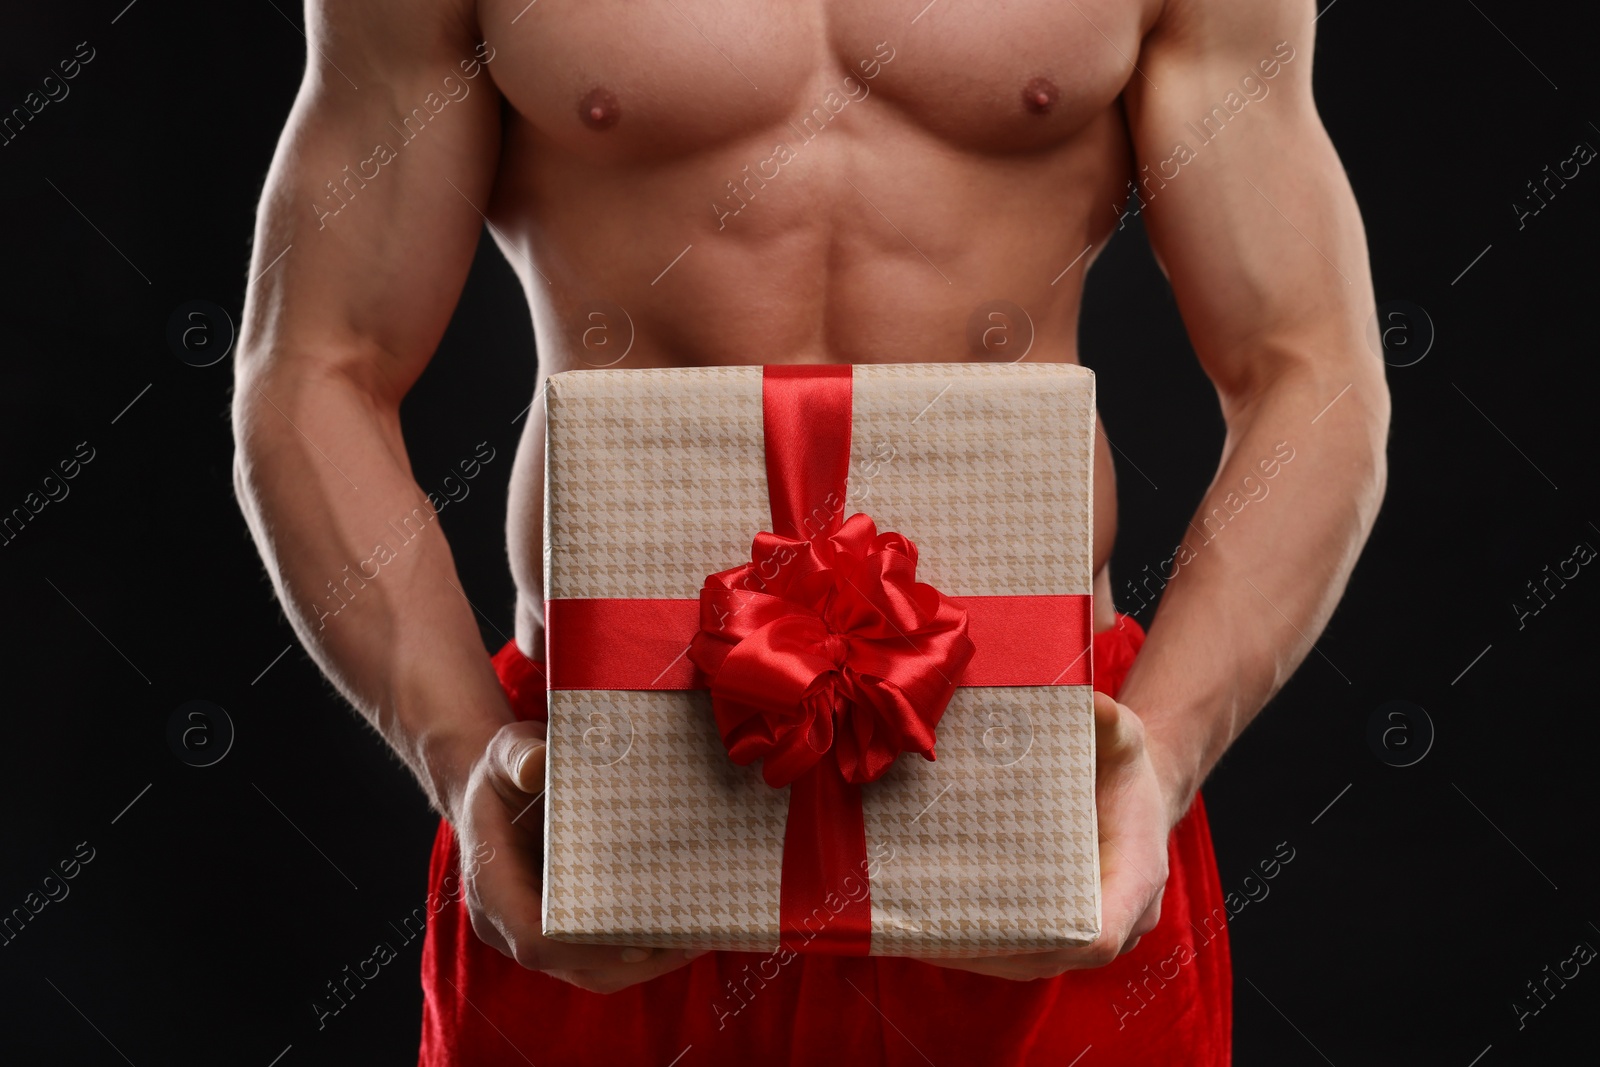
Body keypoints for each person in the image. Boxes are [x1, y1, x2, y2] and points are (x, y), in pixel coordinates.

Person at [231, 0, 1388, 1062]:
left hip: (1046, 789)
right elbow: (317, 366)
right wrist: (458, 750)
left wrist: (1167, 756)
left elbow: (1309, 369)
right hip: (594, 800)